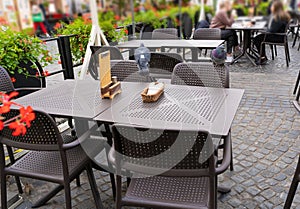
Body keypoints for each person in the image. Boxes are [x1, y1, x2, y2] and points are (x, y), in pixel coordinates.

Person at [253, 0, 290, 65]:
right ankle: (263, 57)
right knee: (260, 37)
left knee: (257, 39)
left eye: (272, 6)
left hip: (277, 37)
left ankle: (263, 58)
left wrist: (264, 30)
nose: (271, 8)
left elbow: (272, 30)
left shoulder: (278, 17)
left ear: (276, 7)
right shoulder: (281, 15)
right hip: (281, 37)